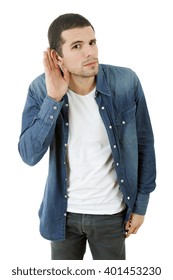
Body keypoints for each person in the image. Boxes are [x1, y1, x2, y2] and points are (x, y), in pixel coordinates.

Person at [18, 13, 156, 260]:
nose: (89, 52)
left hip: (113, 216)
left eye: (92, 42)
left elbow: (145, 144)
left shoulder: (126, 82)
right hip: (62, 216)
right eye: (77, 46)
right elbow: (29, 155)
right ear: (56, 56)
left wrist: (141, 205)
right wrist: (54, 100)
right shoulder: (40, 89)